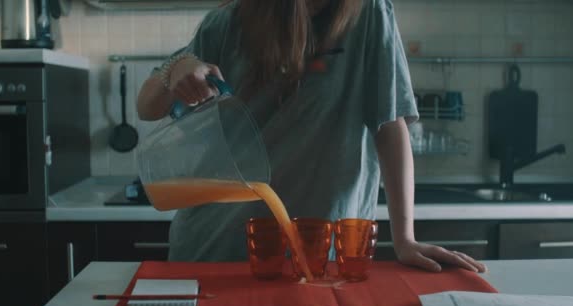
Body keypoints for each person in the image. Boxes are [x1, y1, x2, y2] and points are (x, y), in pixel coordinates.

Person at [136, 0, 487, 273]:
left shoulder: (368, 14)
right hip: (216, 251)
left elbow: (390, 126)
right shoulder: (231, 21)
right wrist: (175, 70)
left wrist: (405, 239)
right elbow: (147, 106)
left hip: (321, 255)